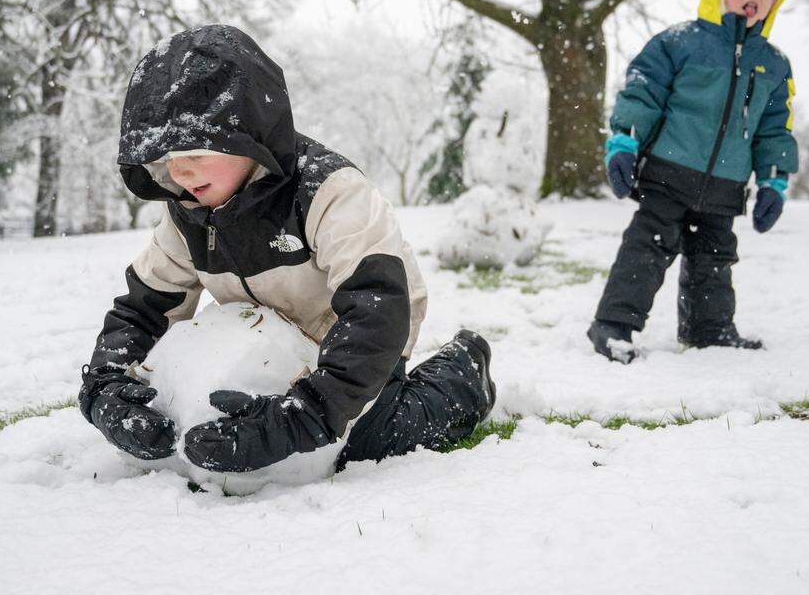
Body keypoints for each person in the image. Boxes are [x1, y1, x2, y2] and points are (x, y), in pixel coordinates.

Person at [78, 24, 496, 472]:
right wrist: (105, 385)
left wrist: (308, 416)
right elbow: (144, 307)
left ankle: (463, 374)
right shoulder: (190, 213)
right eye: (164, 158)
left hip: (357, 341)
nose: (180, 172)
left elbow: (379, 309)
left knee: (360, 442)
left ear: (248, 135)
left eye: (196, 150)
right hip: (267, 341)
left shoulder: (326, 191)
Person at [588, 0, 799, 364]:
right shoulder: (680, 42)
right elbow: (642, 92)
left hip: (726, 184)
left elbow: (774, 130)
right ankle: (613, 326)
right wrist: (624, 142)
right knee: (646, 250)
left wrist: (774, 183)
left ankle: (709, 330)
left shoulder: (774, 65)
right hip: (669, 170)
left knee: (715, 260)